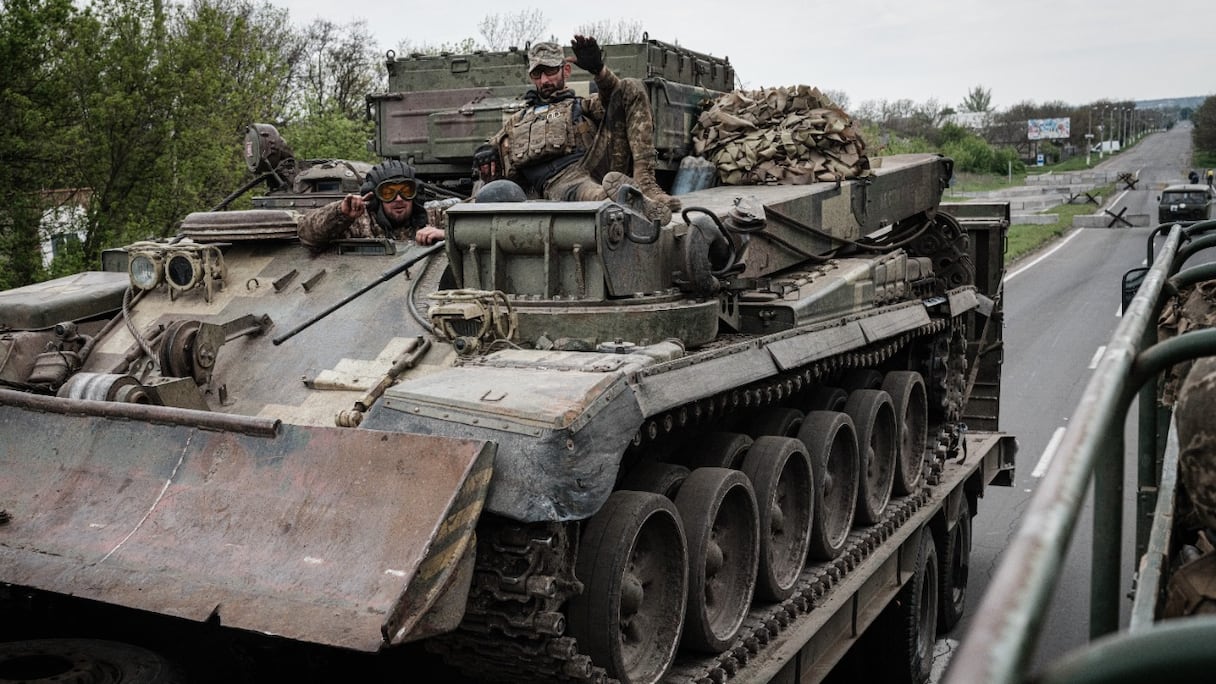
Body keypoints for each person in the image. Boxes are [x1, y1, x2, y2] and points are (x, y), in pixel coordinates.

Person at [475, 35, 681, 222]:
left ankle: (644, 184)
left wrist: (599, 71)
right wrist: (485, 151)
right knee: (599, 197)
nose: (544, 80)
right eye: (537, 74)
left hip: (595, 162)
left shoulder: (581, 105)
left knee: (630, 86)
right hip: (562, 183)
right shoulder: (518, 119)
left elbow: (613, 97)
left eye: (550, 71)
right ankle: (629, 200)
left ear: (566, 70)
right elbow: (489, 149)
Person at [297, 159, 445, 249]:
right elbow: (306, 235)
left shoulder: (433, 217)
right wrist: (340, 213)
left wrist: (446, 235)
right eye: (389, 193)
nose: (399, 199)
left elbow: (466, 228)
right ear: (376, 197)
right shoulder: (360, 221)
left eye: (406, 191)